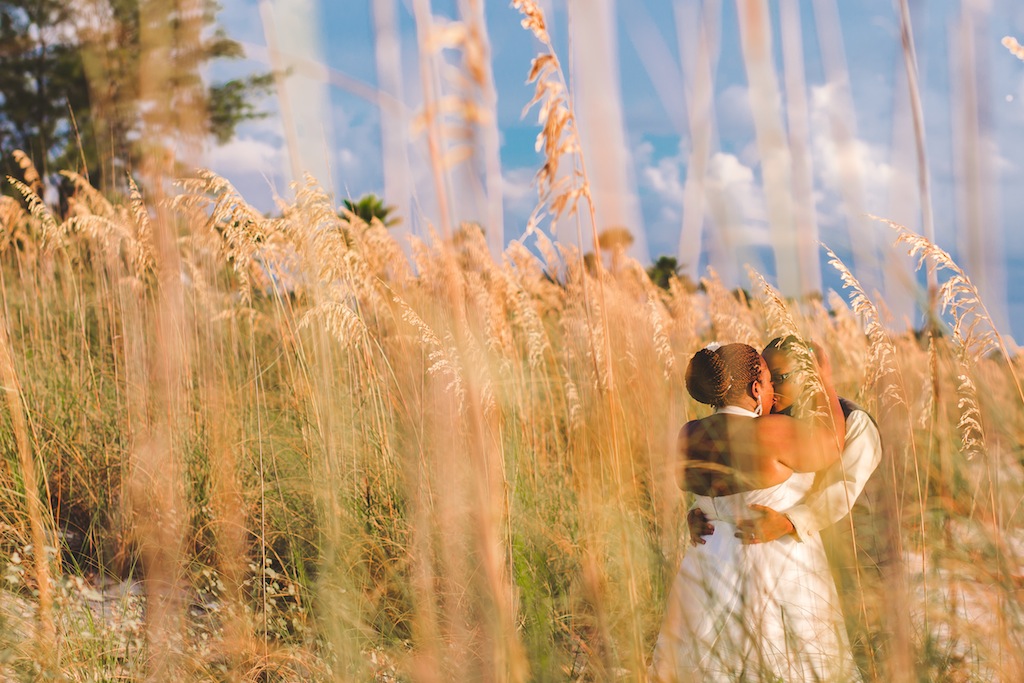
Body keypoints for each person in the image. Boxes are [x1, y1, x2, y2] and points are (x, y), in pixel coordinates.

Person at [650, 342, 857, 682]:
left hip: (707, 562)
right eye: (769, 380)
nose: (774, 390)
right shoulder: (770, 433)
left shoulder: (688, 434)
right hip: (771, 563)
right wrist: (823, 378)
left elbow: (692, 483)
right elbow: (831, 444)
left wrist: (702, 512)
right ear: (755, 388)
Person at [689, 336, 889, 677]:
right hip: (763, 563)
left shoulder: (854, 423)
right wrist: (705, 511)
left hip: (842, 555)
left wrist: (791, 522)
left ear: (810, 375)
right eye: (768, 376)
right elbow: (725, 477)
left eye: (781, 376)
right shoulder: (759, 418)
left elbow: (845, 488)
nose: (773, 387)